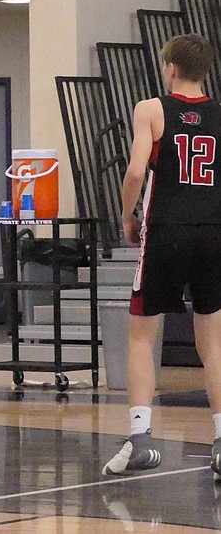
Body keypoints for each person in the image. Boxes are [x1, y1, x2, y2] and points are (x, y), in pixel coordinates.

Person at [103, 33, 221, 478]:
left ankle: (140, 438)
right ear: (205, 69)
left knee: (141, 337)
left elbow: (136, 170)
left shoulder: (151, 109)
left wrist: (126, 214)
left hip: (167, 229)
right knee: (213, 342)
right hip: (213, 232)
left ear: (170, 67)